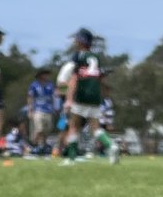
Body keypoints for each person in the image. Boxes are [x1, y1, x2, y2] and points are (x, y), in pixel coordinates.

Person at [52, 30, 105, 160]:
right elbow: (63, 80)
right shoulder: (78, 60)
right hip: (71, 96)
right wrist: (65, 96)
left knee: (72, 126)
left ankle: (66, 150)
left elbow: (67, 79)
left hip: (74, 96)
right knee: (65, 125)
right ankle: (58, 149)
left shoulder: (77, 59)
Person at [24, 70, 57, 150]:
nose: (47, 76)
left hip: (48, 110)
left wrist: (55, 108)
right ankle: (33, 143)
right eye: (45, 74)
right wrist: (30, 110)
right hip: (38, 109)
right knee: (39, 129)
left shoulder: (50, 85)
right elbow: (30, 97)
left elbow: (54, 96)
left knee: (48, 129)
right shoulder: (34, 85)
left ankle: (43, 144)